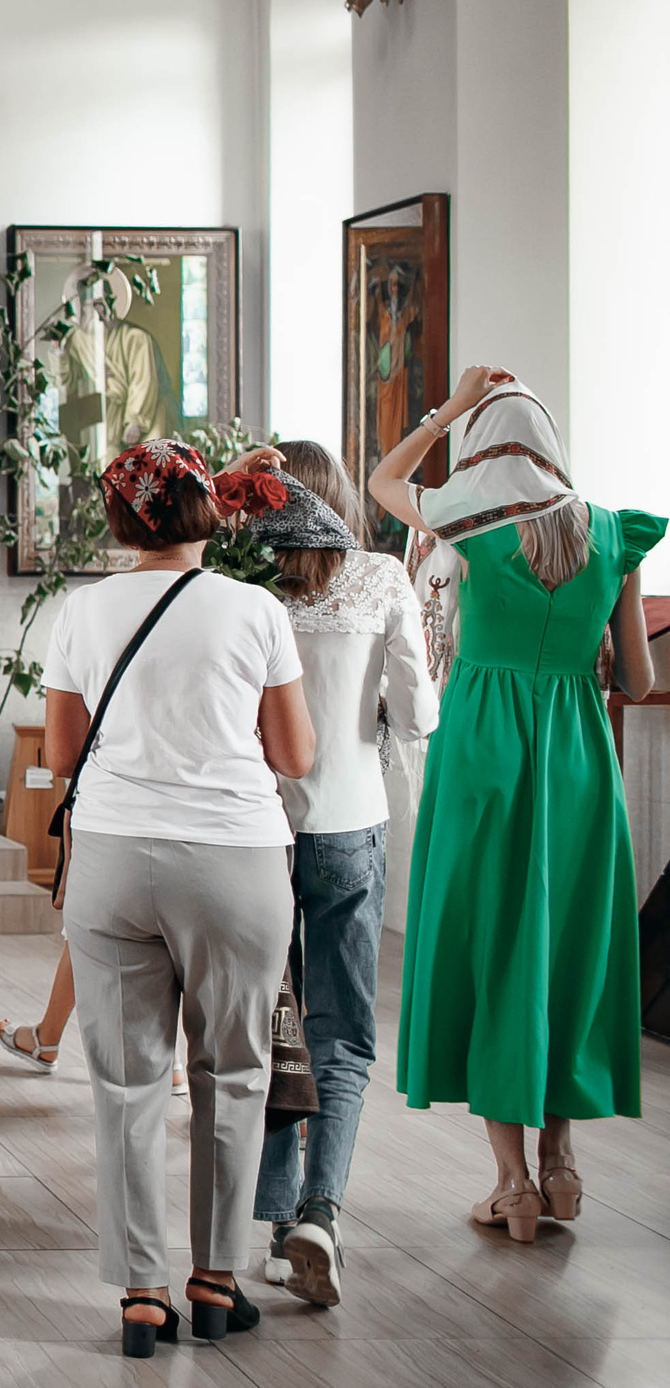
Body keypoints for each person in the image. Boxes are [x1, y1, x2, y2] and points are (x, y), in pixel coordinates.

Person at [370, 369, 658, 1241]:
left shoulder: (467, 525)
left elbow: (384, 484)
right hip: (578, 757)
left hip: (484, 752)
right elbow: (639, 682)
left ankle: (512, 1181)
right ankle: (564, 1165)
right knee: (565, 947)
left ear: (487, 446)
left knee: (494, 944)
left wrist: (444, 411)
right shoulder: (614, 536)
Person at [41, 439, 314, 1355]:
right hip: (235, 859)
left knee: (124, 1081)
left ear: (120, 519)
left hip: (115, 857)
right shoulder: (255, 608)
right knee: (232, 1071)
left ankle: (142, 1293)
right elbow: (296, 755)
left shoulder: (81, 609)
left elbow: (59, 760)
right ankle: (216, 1277)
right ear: (207, 511)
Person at [211, 440, 436, 1307]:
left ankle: (271, 1221)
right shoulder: (384, 578)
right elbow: (419, 711)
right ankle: (320, 1212)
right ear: (340, 497)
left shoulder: (245, 590)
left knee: (275, 1023)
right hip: (350, 827)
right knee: (343, 1033)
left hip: (263, 832)